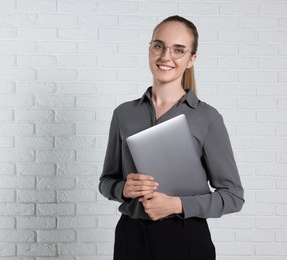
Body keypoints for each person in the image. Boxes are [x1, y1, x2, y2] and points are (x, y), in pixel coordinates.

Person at [98, 15, 244, 260]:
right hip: (131, 237)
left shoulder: (207, 118)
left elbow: (233, 197)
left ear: (191, 59)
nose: (166, 57)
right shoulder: (124, 114)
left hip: (185, 239)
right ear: (150, 50)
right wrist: (124, 188)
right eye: (159, 46)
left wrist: (178, 205)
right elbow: (106, 181)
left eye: (178, 50)